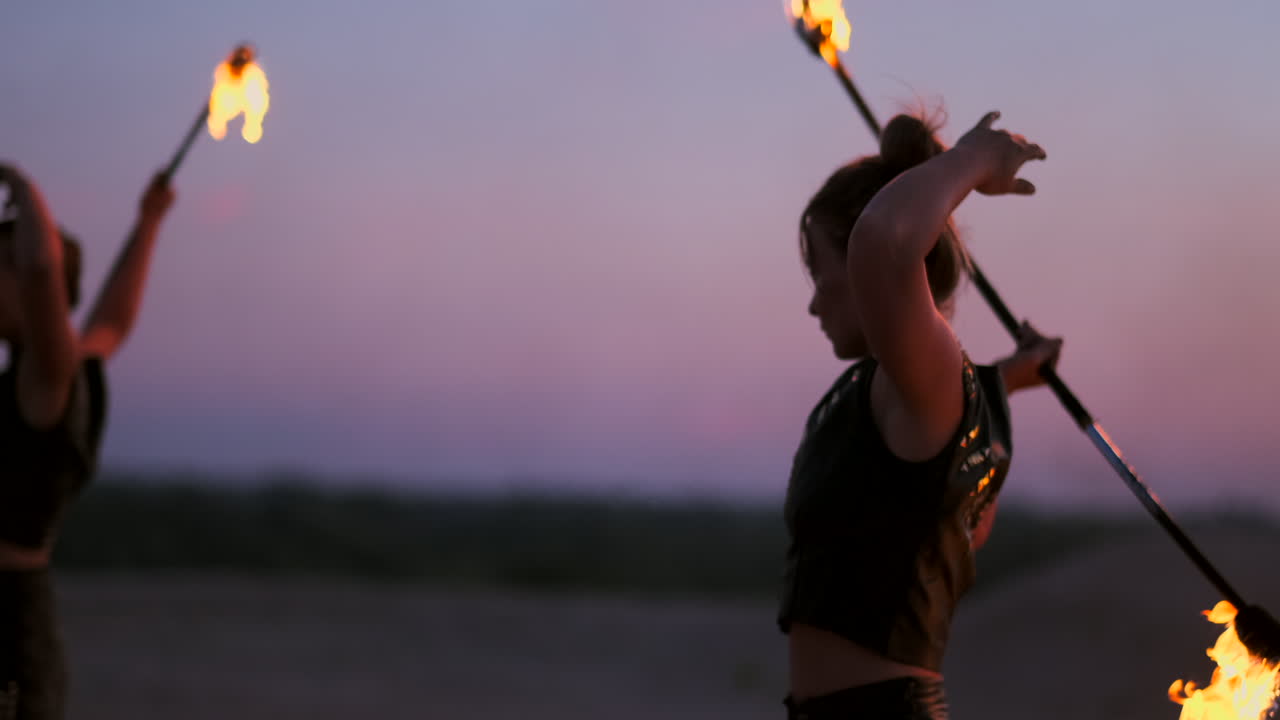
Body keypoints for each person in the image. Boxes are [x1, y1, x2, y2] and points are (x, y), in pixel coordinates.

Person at [778, 110, 1061, 720]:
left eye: (822, 275)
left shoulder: (930, 384)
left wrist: (974, 160)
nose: (813, 304)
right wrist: (1013, 376)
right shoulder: (914, 394)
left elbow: (883, 243)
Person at [0, 163, 175, 720]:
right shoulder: (75, 368)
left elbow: (40, 268)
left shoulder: (46, 378)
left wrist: (20, 184)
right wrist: (149, 221)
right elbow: (115, 318)